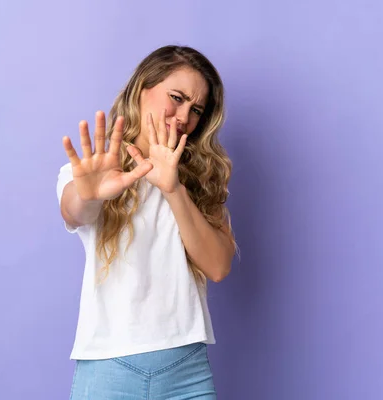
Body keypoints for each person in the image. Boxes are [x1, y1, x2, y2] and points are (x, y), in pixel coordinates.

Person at [56, 45, 236, 399]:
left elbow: (218, 267)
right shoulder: (95, 170)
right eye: (177, 97)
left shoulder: (200, 180)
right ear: (143, 89)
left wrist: (173, 188)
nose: (184, 116)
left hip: (186, 369)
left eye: (196, 109)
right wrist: (89, 192)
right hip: (108, 367)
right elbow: (73, 211)